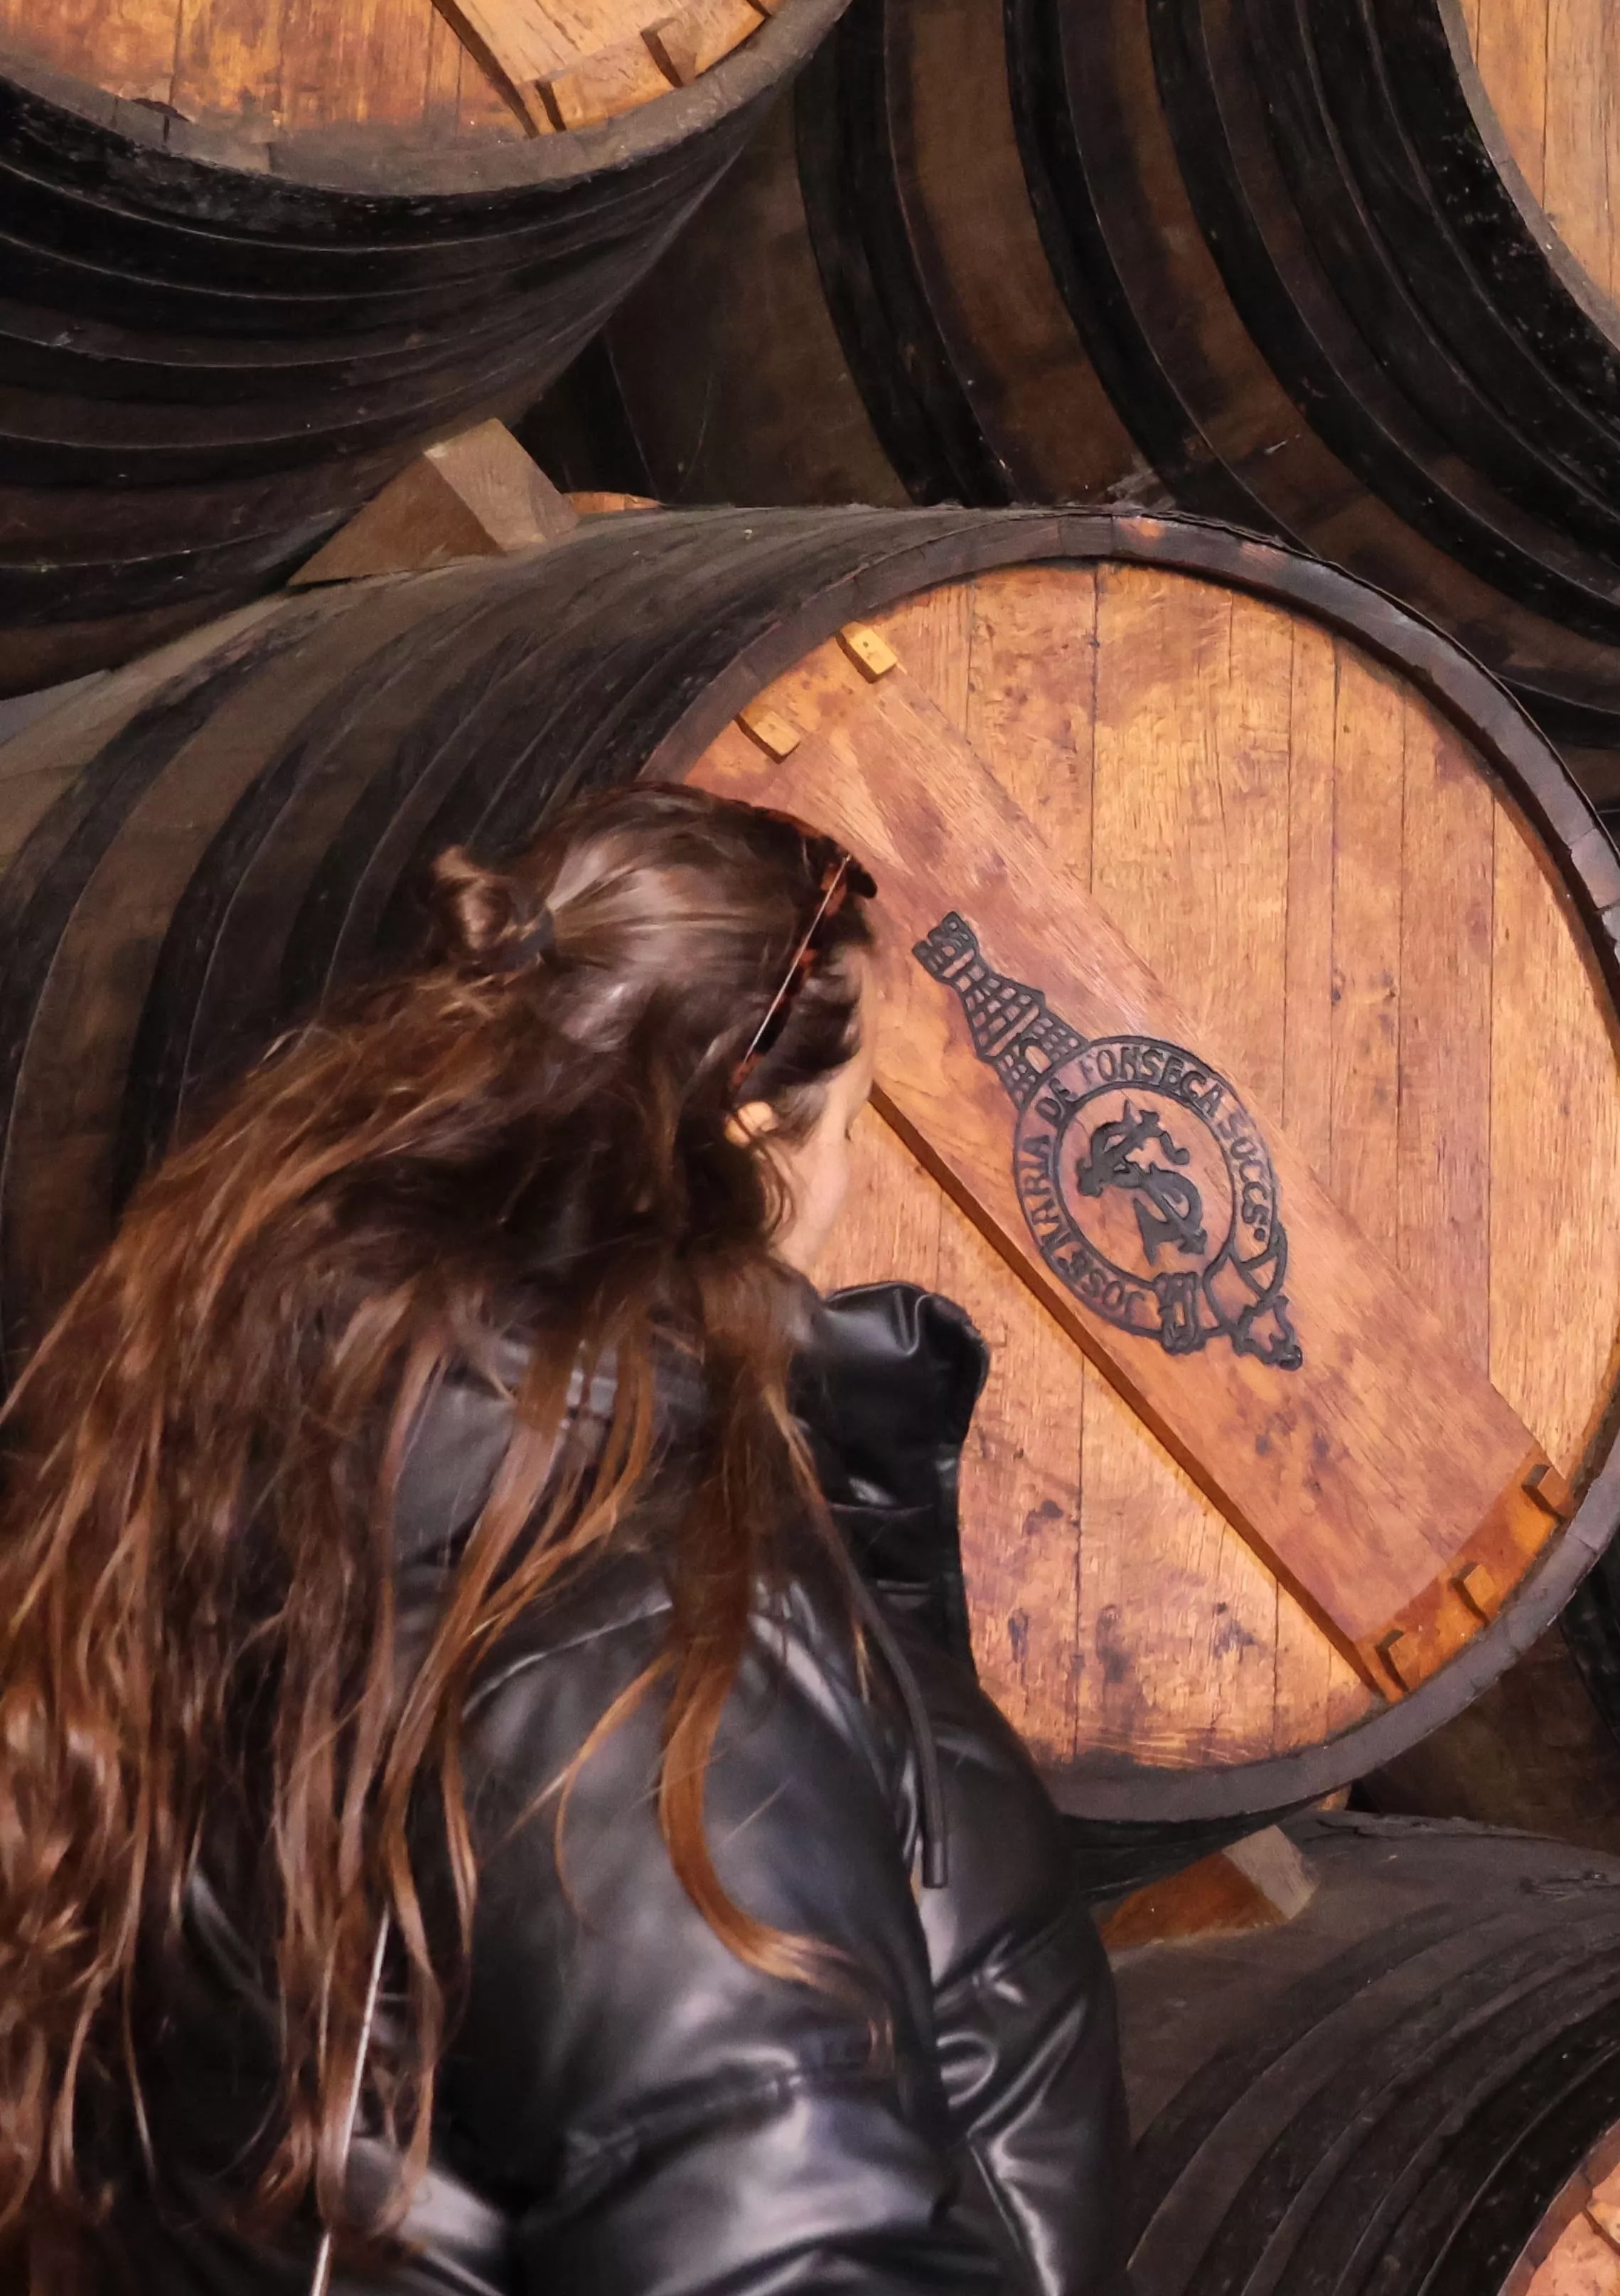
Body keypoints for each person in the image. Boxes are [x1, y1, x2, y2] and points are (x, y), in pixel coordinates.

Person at [0, 784, 1120, 2292]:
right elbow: (778, 2246)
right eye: (858, 1121)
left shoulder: (293, 1460)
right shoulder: (638, 1621)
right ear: (754, 1143)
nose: (853, 1179)